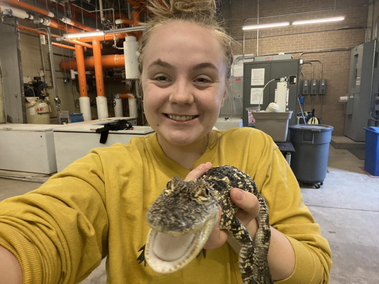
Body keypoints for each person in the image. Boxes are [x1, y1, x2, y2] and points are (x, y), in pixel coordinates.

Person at [0, 0, 332, 283]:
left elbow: (316, 271)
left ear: (224, 87)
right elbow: (37, 232)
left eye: (202, 78)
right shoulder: (108, 170)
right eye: (162, 77)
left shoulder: (255, 149)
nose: (181, 96)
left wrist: (246, 229)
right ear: (141, 83)